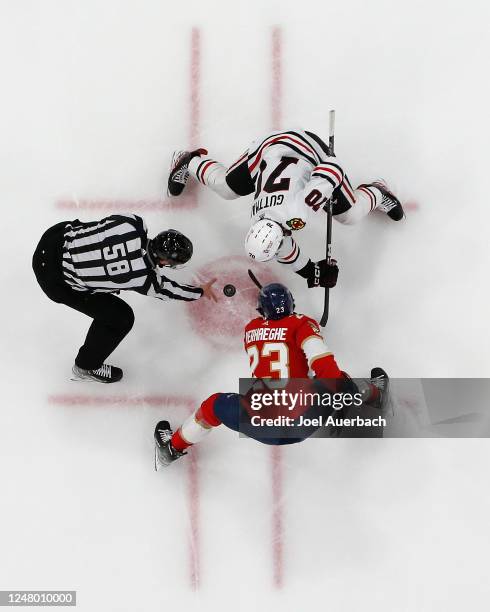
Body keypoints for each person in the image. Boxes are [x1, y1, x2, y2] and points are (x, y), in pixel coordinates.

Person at [154, 283, 389, 467]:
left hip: (261, 425)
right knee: (338, 378)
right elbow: (324, 365)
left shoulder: (251, 330)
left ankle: (171, 449)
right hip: (303, 420)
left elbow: (271, 333)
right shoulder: (301, 324)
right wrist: (339, 397)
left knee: (213, 406)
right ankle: (374, 396)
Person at [166, 128, 404, 290]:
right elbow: (280, 245)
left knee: (349, 215)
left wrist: (325, 188)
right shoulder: (262, 220)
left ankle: (377, 191)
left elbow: (332, 167)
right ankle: (189, 161)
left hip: (303, 147)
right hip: (266, 150)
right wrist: (311, 272)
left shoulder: (302, 207)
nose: (279, 248)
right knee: (228, 188)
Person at [32, 214, 217, 383]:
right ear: (165, 262)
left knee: (96, 234)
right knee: (121, 318)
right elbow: (169, 290)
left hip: (52, 240)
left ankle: (91, 276)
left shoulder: (132, 223)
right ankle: (85, 368)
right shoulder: (145, 278)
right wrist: (199, 291)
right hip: (55, 282)